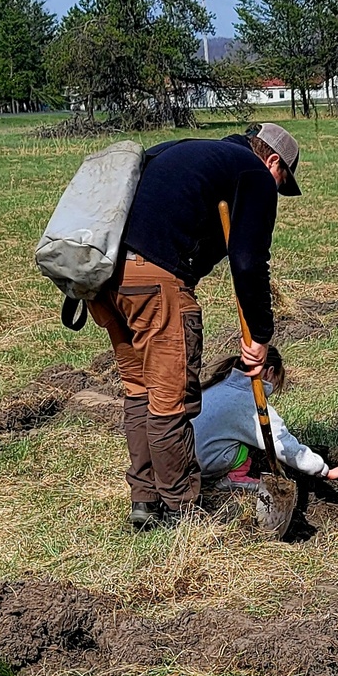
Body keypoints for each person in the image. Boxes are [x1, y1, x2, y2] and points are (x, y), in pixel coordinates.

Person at [89, 121, 301, 531]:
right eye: (281, 181)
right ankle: (181, 511)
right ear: (272, 161)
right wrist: (260, 335)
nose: (275, 190)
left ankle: (145, 501)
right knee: (169, 399)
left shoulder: (190, 153)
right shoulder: (253, 174)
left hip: (104, 280)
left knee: (141, 391)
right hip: (152, 280)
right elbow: (249, 261)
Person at [194, 349, 338, 488]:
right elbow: (283, 445)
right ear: (270, 372)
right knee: (248, 443)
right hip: (207, 464)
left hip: (187, 461)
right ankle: (234, 478)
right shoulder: (250, 402)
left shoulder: (218, 386)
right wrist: (324, 470)